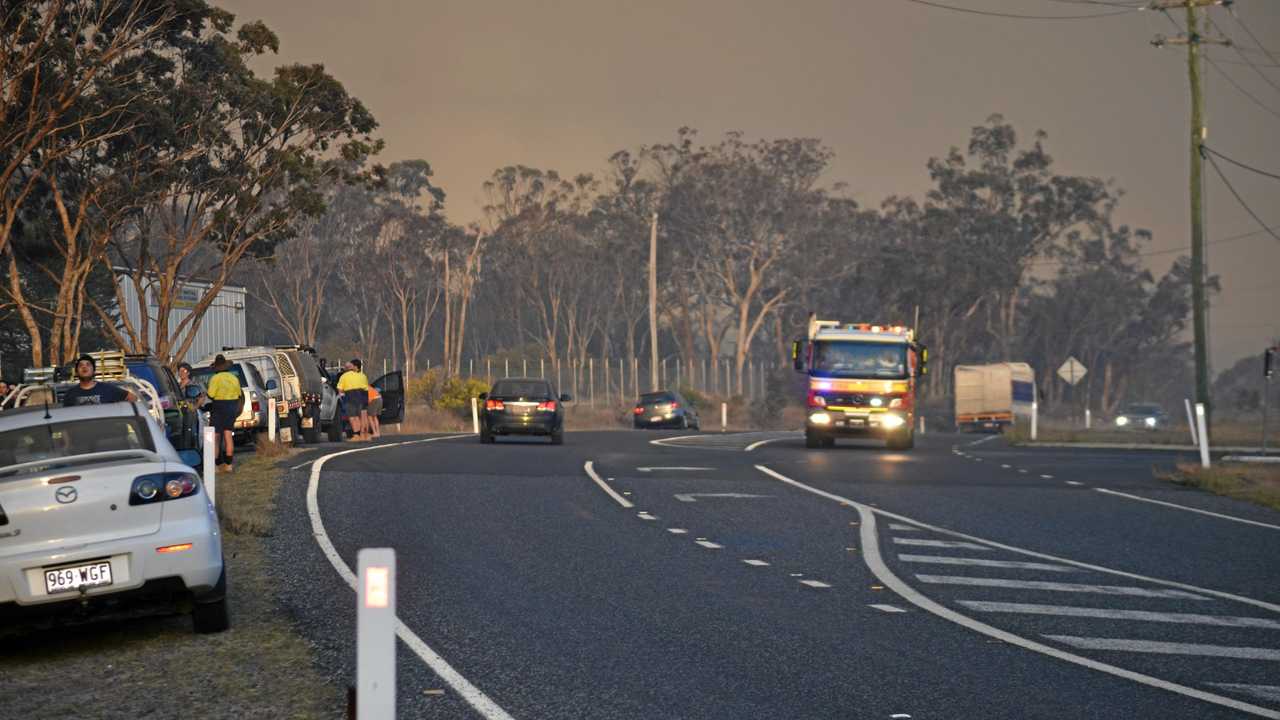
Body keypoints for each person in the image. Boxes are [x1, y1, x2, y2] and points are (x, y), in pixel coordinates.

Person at [205, 355, 243, 472]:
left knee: (216, 436)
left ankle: (216, 465)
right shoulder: (234, 378)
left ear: (216, 367)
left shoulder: (215, 379)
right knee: (228, 434)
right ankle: (229, 464)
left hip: (219, 406)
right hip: (232, 406)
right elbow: (239, 394)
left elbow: (211, 395)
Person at [62, 355, 137, 406]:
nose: (84, 367)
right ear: (76, 372)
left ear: (94, 371)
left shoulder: (108, 389)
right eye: (81, 365)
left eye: (88, 365)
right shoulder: (70, 394)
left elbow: (133, 398)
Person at [336, 359, 371, 441]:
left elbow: (339, 389)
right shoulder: (363, 376)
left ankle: (357, 435)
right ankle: (365, 435)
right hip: (363, 396)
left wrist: (342, 395)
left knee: (353, 417)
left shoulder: (344, 376)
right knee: (363, 417)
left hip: (350, 396)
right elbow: (366, 387)